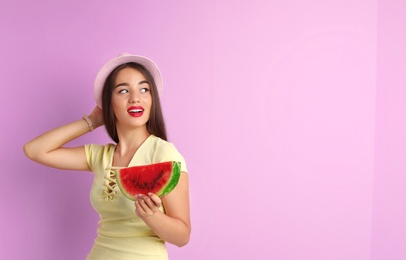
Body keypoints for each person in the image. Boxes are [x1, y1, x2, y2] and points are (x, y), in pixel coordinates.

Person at [23, 53, 191, 260]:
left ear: (152, 99)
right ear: (108, 103)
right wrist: (91, 121)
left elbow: (182, 236)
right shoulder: (100, 156)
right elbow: (35, 150)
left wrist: (152, 216)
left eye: (144, 89)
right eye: (123, 90)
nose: (135, 97)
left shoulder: (164, 153)